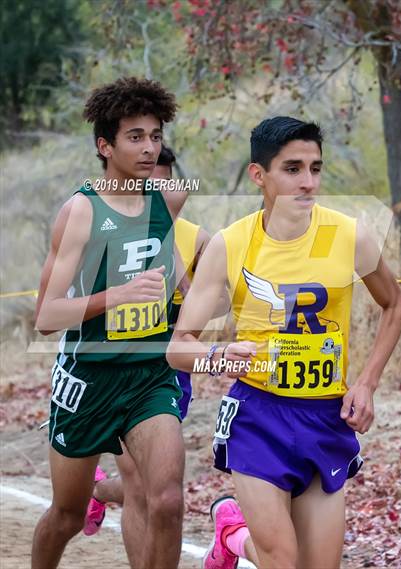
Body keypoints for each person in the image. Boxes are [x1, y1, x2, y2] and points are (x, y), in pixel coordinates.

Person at [167, 116, 401, 569]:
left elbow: (395, 305)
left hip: (325, 417)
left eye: (315, 168)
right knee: (282, 559)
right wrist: (218, 358)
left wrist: (367, 383)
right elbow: (179, 346)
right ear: (259, 175)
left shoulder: (348, 234)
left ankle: (232, 536)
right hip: (259, 416)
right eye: (293, 169)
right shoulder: (229, 243)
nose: (308, 182)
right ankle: (239, 537)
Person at [32, 77, 185, 569]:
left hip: (149, 375)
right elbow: (46, 317)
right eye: (135, 137)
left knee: (166, 500)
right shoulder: (80, 211)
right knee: (67, 514)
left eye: (155, 135)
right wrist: (114, 297)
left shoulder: (169, 199)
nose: (149, 147)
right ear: (105, 145)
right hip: (89, 378)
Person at [83, 147, 211, 569]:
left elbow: (204, 306)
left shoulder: (197, 238)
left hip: (172, 369)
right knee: (140, 484)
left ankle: (98, 491)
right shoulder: (106, 228)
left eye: (160, 184)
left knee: (158, 490)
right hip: (123, 368)